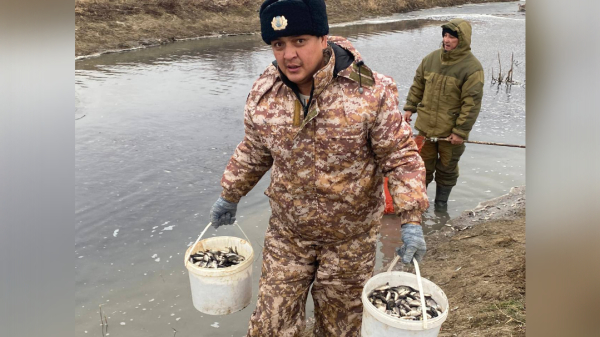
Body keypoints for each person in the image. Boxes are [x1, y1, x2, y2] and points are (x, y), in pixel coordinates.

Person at [209, 0, 428, 335]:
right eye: (278, 44)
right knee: (270, 327)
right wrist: (230, 195)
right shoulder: (264, 92)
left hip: (349, 242)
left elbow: (400, 156)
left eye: (300, 41)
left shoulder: (370, 89)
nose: (289, 55)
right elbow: (254, 151)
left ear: (323, 39)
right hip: (288, 237)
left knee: (340, 329)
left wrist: (411, 218)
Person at [403, 19, 484, 210]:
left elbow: (471, 104)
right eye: (445, 36)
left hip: (450, 133)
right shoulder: (430, 59)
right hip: (425, 128)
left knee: (447, 169)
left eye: (452, 37)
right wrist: (409, 108)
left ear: (462, 40)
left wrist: (460, 131)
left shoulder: (472, 68)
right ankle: (419, 206)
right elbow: (417, 85)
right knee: (422, 168)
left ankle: (441, 206)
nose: (446, 40)